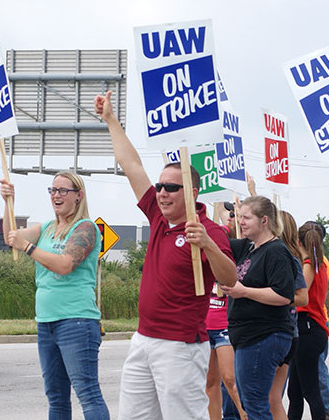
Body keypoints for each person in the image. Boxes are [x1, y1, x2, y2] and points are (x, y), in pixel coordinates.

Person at [95, 91, 238, 420]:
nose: (161, 192)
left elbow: (229, 279)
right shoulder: (159, 219)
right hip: (143, 338)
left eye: (171, 187)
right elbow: (131, 166)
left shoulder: (209, 230)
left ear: (192, 191)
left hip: (181, 346)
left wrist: (207, 245)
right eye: (160, 186)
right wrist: (111, 121)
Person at [0, 171, 109, 420]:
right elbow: (12, 237)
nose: (56, 196)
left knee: (88, 394)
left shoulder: (86, 229)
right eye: (53, 190)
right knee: (57, 398)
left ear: (78, 196)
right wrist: (8, 202)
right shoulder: (48, 227)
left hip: (77, 321)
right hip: (46, 322)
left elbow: (64, 264)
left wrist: (28, 247)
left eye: (63, 191)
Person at [221, 196, 295, 420]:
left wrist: (243, 291)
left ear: (264, 220)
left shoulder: (276, 251)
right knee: (249, 400)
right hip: (247, 337)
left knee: (254, 402)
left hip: (263, 336)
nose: (240, 222)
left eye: (246, 217)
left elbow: (284, 295)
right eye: (238, 216)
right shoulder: (248, 247)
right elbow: (219, 243)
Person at [268, 211, 309, 420]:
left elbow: (303, 297)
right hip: (286, 332)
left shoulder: (286, 257)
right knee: (272, 398)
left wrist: (268, 296)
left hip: (279, 332)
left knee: (269, 398)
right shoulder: (287, 255)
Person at [287, 222, 329, 420]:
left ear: (298, 241)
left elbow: (300, 296)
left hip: (308, 328)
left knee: (310, 391)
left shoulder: (309, 266)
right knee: (294, 392)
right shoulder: (318, 263)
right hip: (311, 328)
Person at [206, 273, 248, 420]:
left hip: (225, 328)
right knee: (210, 382)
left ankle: (244, 415)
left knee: (230, 379)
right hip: (205, 327)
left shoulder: (228, 266)